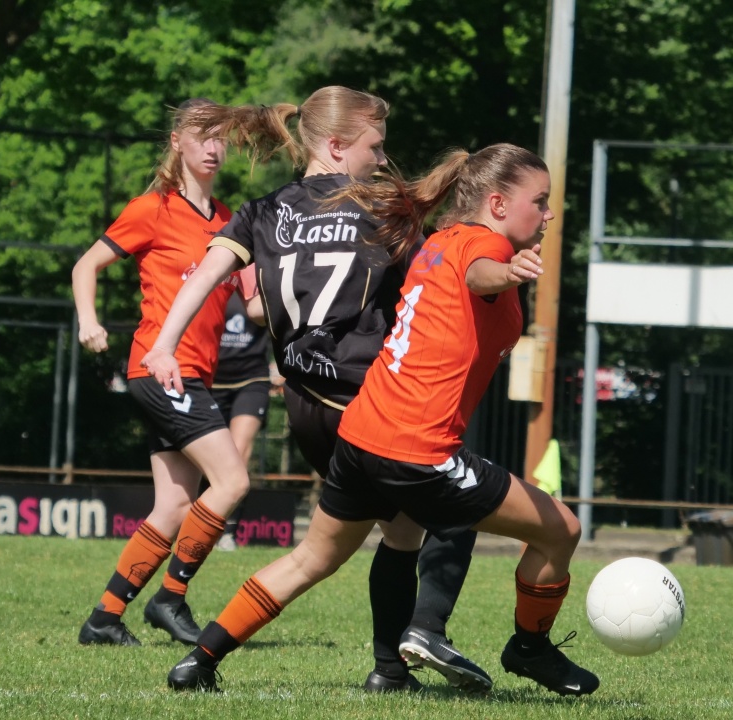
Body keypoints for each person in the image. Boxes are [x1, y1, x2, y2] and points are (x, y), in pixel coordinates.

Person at [159, 143, 600, 697]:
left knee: (314, 557)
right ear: (496, 203)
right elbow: (482, 274)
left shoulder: (438, 243)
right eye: (541, 201)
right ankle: (522, 647)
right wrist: (509, 271)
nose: (549, 214)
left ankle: (200, 660)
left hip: (362, 434)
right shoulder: (483, 247)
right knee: (562, 530)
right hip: (419, 447)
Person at [139, 86, 488, 693]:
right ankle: (421, 635)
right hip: (371, 405)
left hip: (305, 409)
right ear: (334, 144)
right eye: (374, 147)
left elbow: (204, 278)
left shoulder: (261, 210)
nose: (382, 160)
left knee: (361, 542)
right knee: (458, 506)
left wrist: (163, 345)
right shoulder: (381, 208)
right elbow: (439, 278)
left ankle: (213, 660)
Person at [71, 98, 256, 647]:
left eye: (222, 138)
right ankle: (169, 599)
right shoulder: (152, 208)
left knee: (175, 504)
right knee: (234, 480)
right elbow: (86, 265)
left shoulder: (229, 220)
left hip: (196, 376)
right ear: (177, 141)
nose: (215, 147)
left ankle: (103, 619)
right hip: (158, 368)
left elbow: (257, 304)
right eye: (204, 135)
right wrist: (88, 320)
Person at [208, 264, 279, 552]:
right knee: (210, 460)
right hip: (211, 380)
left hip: (252, 379)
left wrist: (283, 365)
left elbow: (284, 320)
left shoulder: (260, 279)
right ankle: (204, 525)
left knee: (239, 452)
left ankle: (228, 531)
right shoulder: (208, 279)